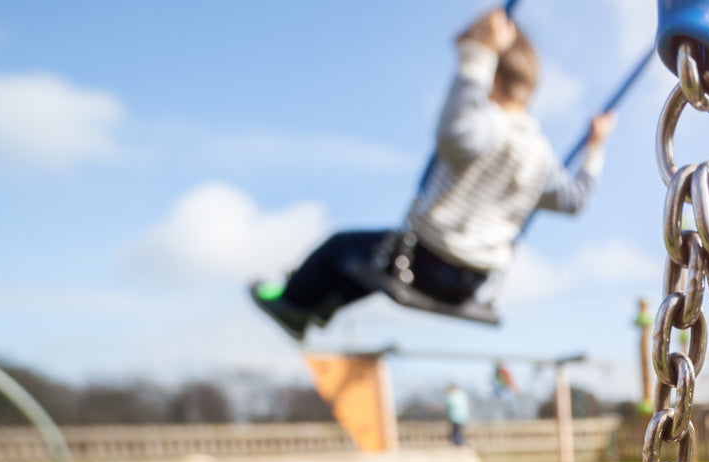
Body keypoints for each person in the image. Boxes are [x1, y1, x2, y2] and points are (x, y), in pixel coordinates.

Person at [250, 9, 617, 341]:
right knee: (369, 264)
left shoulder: (485, 125)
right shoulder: (543, 156)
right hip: (472, 282)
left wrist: (478, 55)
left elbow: (455, 133)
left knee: (338, 248)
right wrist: (595, 148)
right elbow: (575, 200)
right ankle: (322, 304)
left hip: (425, 261)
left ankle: (292, 305)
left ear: (490, 75)